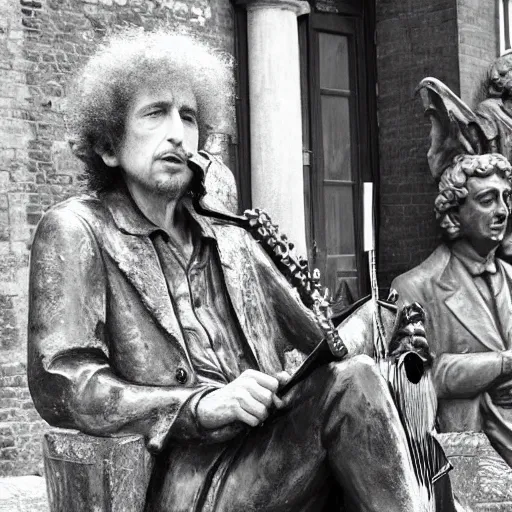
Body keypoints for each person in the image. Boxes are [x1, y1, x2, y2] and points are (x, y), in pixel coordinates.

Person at [28, 29, 428, 512]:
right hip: (187, 476)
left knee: (358, 376)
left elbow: (322, 342)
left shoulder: (231, 236)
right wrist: (197, 406)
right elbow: (64, 382)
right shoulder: (77, 230)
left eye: (189, 116)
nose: (177, 131)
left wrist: (386, 330)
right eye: (155, 113)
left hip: (275, 448)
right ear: (110, 146)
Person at [392, 153, 512, 469]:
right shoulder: (415, 288)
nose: (503, 211)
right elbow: (410, 387)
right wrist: (501, 364)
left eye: (506, 198)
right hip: (470, 454)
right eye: (488, 200)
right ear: (454, 215)